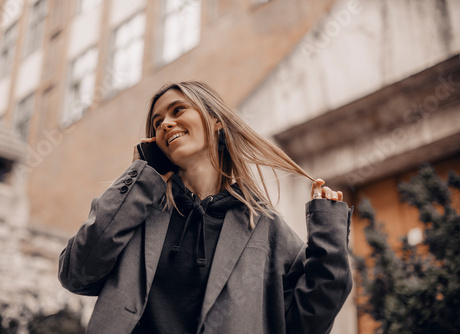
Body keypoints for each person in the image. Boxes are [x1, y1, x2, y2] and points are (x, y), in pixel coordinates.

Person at [58, 81, 353, 334]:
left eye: (177, 110)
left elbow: (308, 321)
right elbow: (77, 273)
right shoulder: (136, 213)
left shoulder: (264, 228)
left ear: (216, 121)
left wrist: (329, 237)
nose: (165, 124)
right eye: (157, 122)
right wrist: (139, 177)